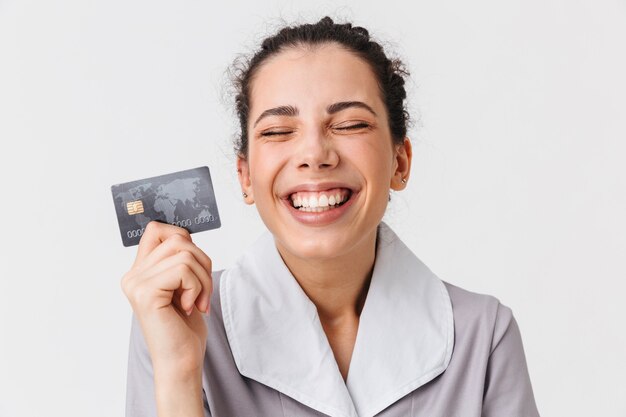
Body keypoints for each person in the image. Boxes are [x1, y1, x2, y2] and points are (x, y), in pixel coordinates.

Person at [122, 16, 540, 417]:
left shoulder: (483, 335)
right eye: (277, 131)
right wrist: (178, 372)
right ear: (245, 176)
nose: (314, 155)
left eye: (350, 124)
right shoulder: (175, 318)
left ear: (400, 162)